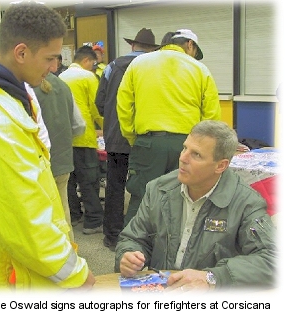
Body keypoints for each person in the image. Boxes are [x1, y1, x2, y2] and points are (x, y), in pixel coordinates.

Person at [0, 1, 95, 290]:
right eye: (50, 58)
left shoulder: (0, 92)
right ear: (21, 52)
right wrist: (76, 275)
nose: (54, 67)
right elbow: (23, 221)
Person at [115, 120, 277, 291]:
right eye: (185, 148)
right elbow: (132, 238)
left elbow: (272, 260)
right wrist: (128, 255)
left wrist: (212, 278)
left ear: (221, 165)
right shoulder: (158, 189)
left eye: (196, 155)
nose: (183, 158)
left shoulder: (245, 203)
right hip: (163, 292)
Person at [117, 28, 221, 227]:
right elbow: (211, 117)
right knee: (181, 201)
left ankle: (131, 251)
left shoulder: (139, 63)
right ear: (189, 45)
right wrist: (202, 147)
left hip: (148, 142)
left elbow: (124, 105)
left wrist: (134, 137)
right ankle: (171, 252)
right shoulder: (199, 69)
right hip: (188, 146)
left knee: (142, 198)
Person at [95, 28, 160, 251]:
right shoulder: (155, 66)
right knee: (144, 189)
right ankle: (139, 238)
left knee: (114, 187)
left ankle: (112, 236)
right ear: (152, 49)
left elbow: (100, 102)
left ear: (132, 45)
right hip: (145, 137)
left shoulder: (112, 66)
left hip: (115, 137)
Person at [33, 72, 86, 243]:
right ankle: (70, 255)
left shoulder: (25, 87)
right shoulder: (63, 86)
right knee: (62, 214)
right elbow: (79, 126)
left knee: (39, 217)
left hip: (36, 164)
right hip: (62, 161)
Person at [59, 46, 104, 235]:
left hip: (64, 138)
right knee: (89, 179)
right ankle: (93, 220)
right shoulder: (88, 77)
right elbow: (97, 106)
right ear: (86, 61)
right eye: (93, 63)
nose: (93, 67)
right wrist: (105, 127)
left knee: (69, 180)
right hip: (84, 135)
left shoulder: (61, 78)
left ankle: (75, 214)